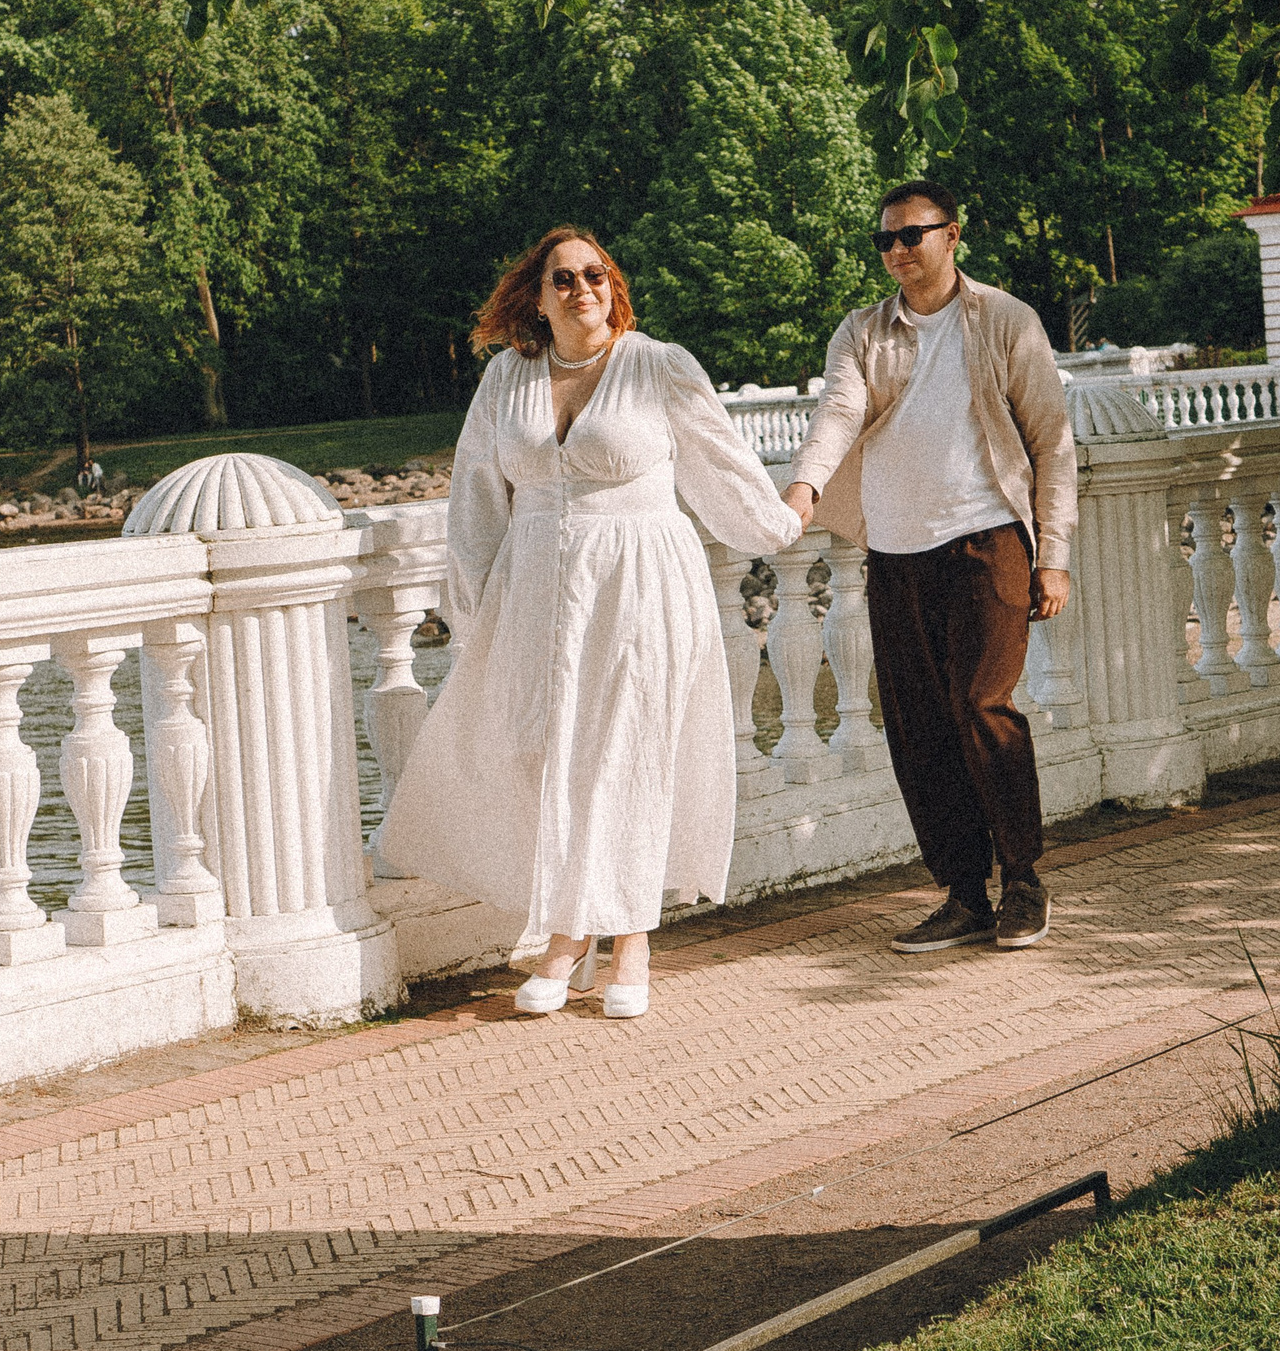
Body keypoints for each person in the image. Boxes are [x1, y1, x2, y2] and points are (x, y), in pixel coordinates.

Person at [378, 227, 801, 1018]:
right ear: (537, 297)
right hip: (536, 586)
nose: (582, 291)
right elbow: (475, 494)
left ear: (614, 285)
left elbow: (721, 465)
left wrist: (780, 521)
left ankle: (624, 938)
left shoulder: (658, 365)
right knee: (549, 756)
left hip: (641, 581)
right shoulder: (509, 376)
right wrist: (474, 608)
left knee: (628, 751)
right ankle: (571, 929)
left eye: (595, 275)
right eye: (563, 279)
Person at [783, 180, 1078, 953]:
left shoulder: (1006, 319)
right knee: (917, 727)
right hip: (896, 551)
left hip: (988, 541)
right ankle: (962, 893)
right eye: (885, 240)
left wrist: (1055, 556)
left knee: (983, 704)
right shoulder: (861, 331)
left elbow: (1051, 441)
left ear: (953, 235)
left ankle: (1023, 881)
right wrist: (804, 483)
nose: (898, 251)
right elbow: (839, 411)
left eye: (913, 235)